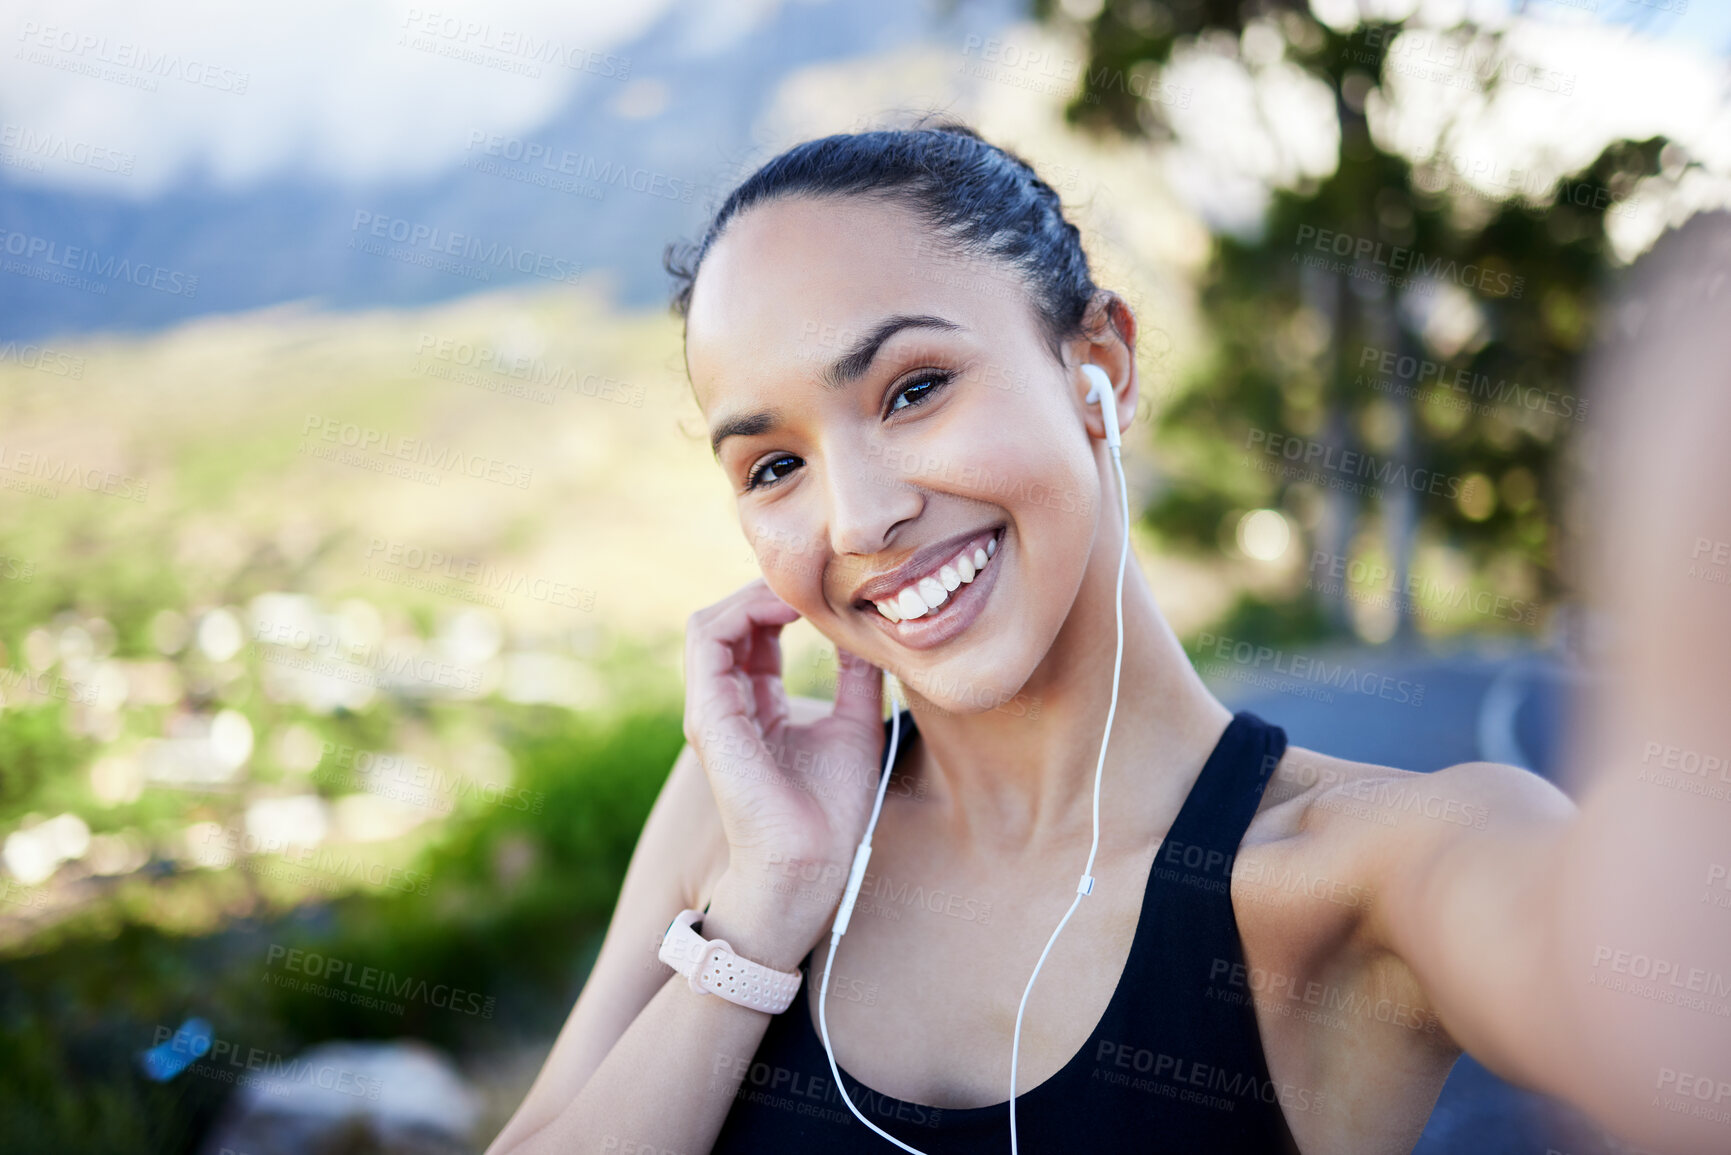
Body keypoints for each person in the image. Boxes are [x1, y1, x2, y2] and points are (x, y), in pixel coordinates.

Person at [487, 123, 1731, 1154]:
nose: (859, 516)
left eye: (913, 389)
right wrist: (760, 922)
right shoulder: (736, 821)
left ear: (1102, 367)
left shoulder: (1370, 875)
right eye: (772, 464)